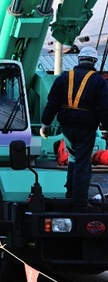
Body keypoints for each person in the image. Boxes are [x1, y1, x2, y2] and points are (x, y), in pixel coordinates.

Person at [41, 46, 108, 212]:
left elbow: (53, 102)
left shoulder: (64, 77)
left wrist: (45, 124)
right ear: (93, 61)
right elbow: (103, 107)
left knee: (73, 158)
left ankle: (70, 195)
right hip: (86, 128)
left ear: (79, 60)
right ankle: (79, 204)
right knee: (82, 164)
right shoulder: (98, 81)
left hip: (67, 127)